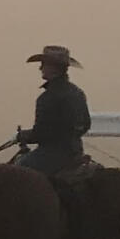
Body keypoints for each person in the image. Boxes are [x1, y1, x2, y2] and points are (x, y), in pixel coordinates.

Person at [14, 47, 93, 181]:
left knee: (19, 170)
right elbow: (86, 125)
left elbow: (42, 133)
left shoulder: (48, 97)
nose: (40, 68)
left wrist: (23, 136)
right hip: (75, 151)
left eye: (43, 64)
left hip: (52, 155)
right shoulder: (77, 92)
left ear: (53, 68)